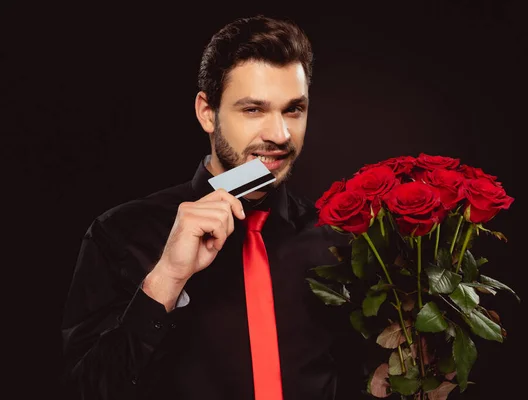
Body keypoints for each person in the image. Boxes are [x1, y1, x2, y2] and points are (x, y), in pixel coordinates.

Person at [61, 15, 367, 400]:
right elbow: (86, 390)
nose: (279, 135)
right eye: (253, 110)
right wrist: (166, 280)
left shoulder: (336, 240)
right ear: (207, 112)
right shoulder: (119, 235)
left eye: (293, 110)